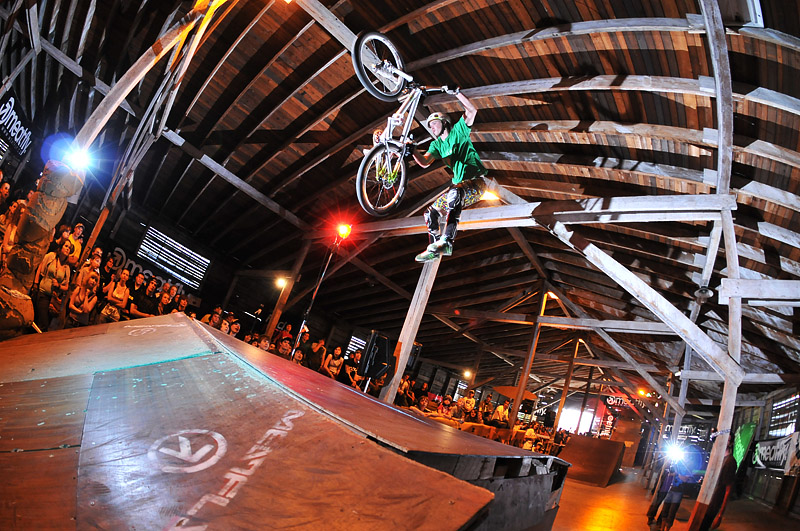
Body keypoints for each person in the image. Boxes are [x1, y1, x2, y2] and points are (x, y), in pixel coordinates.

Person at [412, 89, 486, 262]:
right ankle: (434, 249)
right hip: (458, 188)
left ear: (444, 123)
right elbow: (424, 162)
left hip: (476, 184)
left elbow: (472, 111)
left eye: (434, 124)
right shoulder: (437, 145)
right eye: (430, 126)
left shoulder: (458, 131)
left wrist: (457, 93)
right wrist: (412, 151)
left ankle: (447, 241)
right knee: (430, 213)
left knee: (454, 193)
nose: (432, 128)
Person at [33, 240, 73, 331]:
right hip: (43, 293)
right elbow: (40, 268)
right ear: (61, 247)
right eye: (66, 246)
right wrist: (35, 283)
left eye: (69, 248)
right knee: (43, 323)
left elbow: (66, 287)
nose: (68, 249)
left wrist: (59, 285)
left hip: (54, 299)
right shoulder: (51, 256)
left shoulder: (67, 267)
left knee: (45, 323)